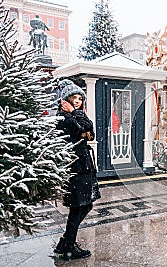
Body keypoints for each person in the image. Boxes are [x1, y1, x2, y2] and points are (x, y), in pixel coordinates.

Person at [54, 79, 101, 260]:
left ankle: (66, 241)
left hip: (84, 164)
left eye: (80, 98)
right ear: (65, 100)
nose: (77, 102)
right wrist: (77, 119)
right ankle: (69, 246)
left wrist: (80, 123)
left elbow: (90, 130)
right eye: (73, 98)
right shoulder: (63, 117)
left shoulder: (76, 115)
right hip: (74, 165)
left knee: (86, 204)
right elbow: (85, 127)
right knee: (78, 206)